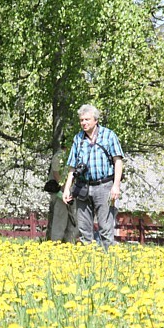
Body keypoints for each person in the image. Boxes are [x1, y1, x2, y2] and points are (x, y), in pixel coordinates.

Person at [62, 104, 124, 249]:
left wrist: (116, 185)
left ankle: (109, 261)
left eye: (87, 119)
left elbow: (118, 161)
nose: (84, 123)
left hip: (104, 186)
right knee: (83, 229)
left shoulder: (109, 135)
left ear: (95, 120)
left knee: (105, 227)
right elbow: (72, 166)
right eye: (82, 120)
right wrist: (67, 189)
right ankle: (87, 262)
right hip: (83, 187)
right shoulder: (78, 139)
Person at [48, 142, 78, 242]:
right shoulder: (59, 156)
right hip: (60, 192)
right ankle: (56, 243)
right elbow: (57, 175)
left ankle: (70, 242)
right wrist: (65, 190)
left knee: (72, 219)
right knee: (60, 218)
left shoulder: (73, 155)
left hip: (70, 191)